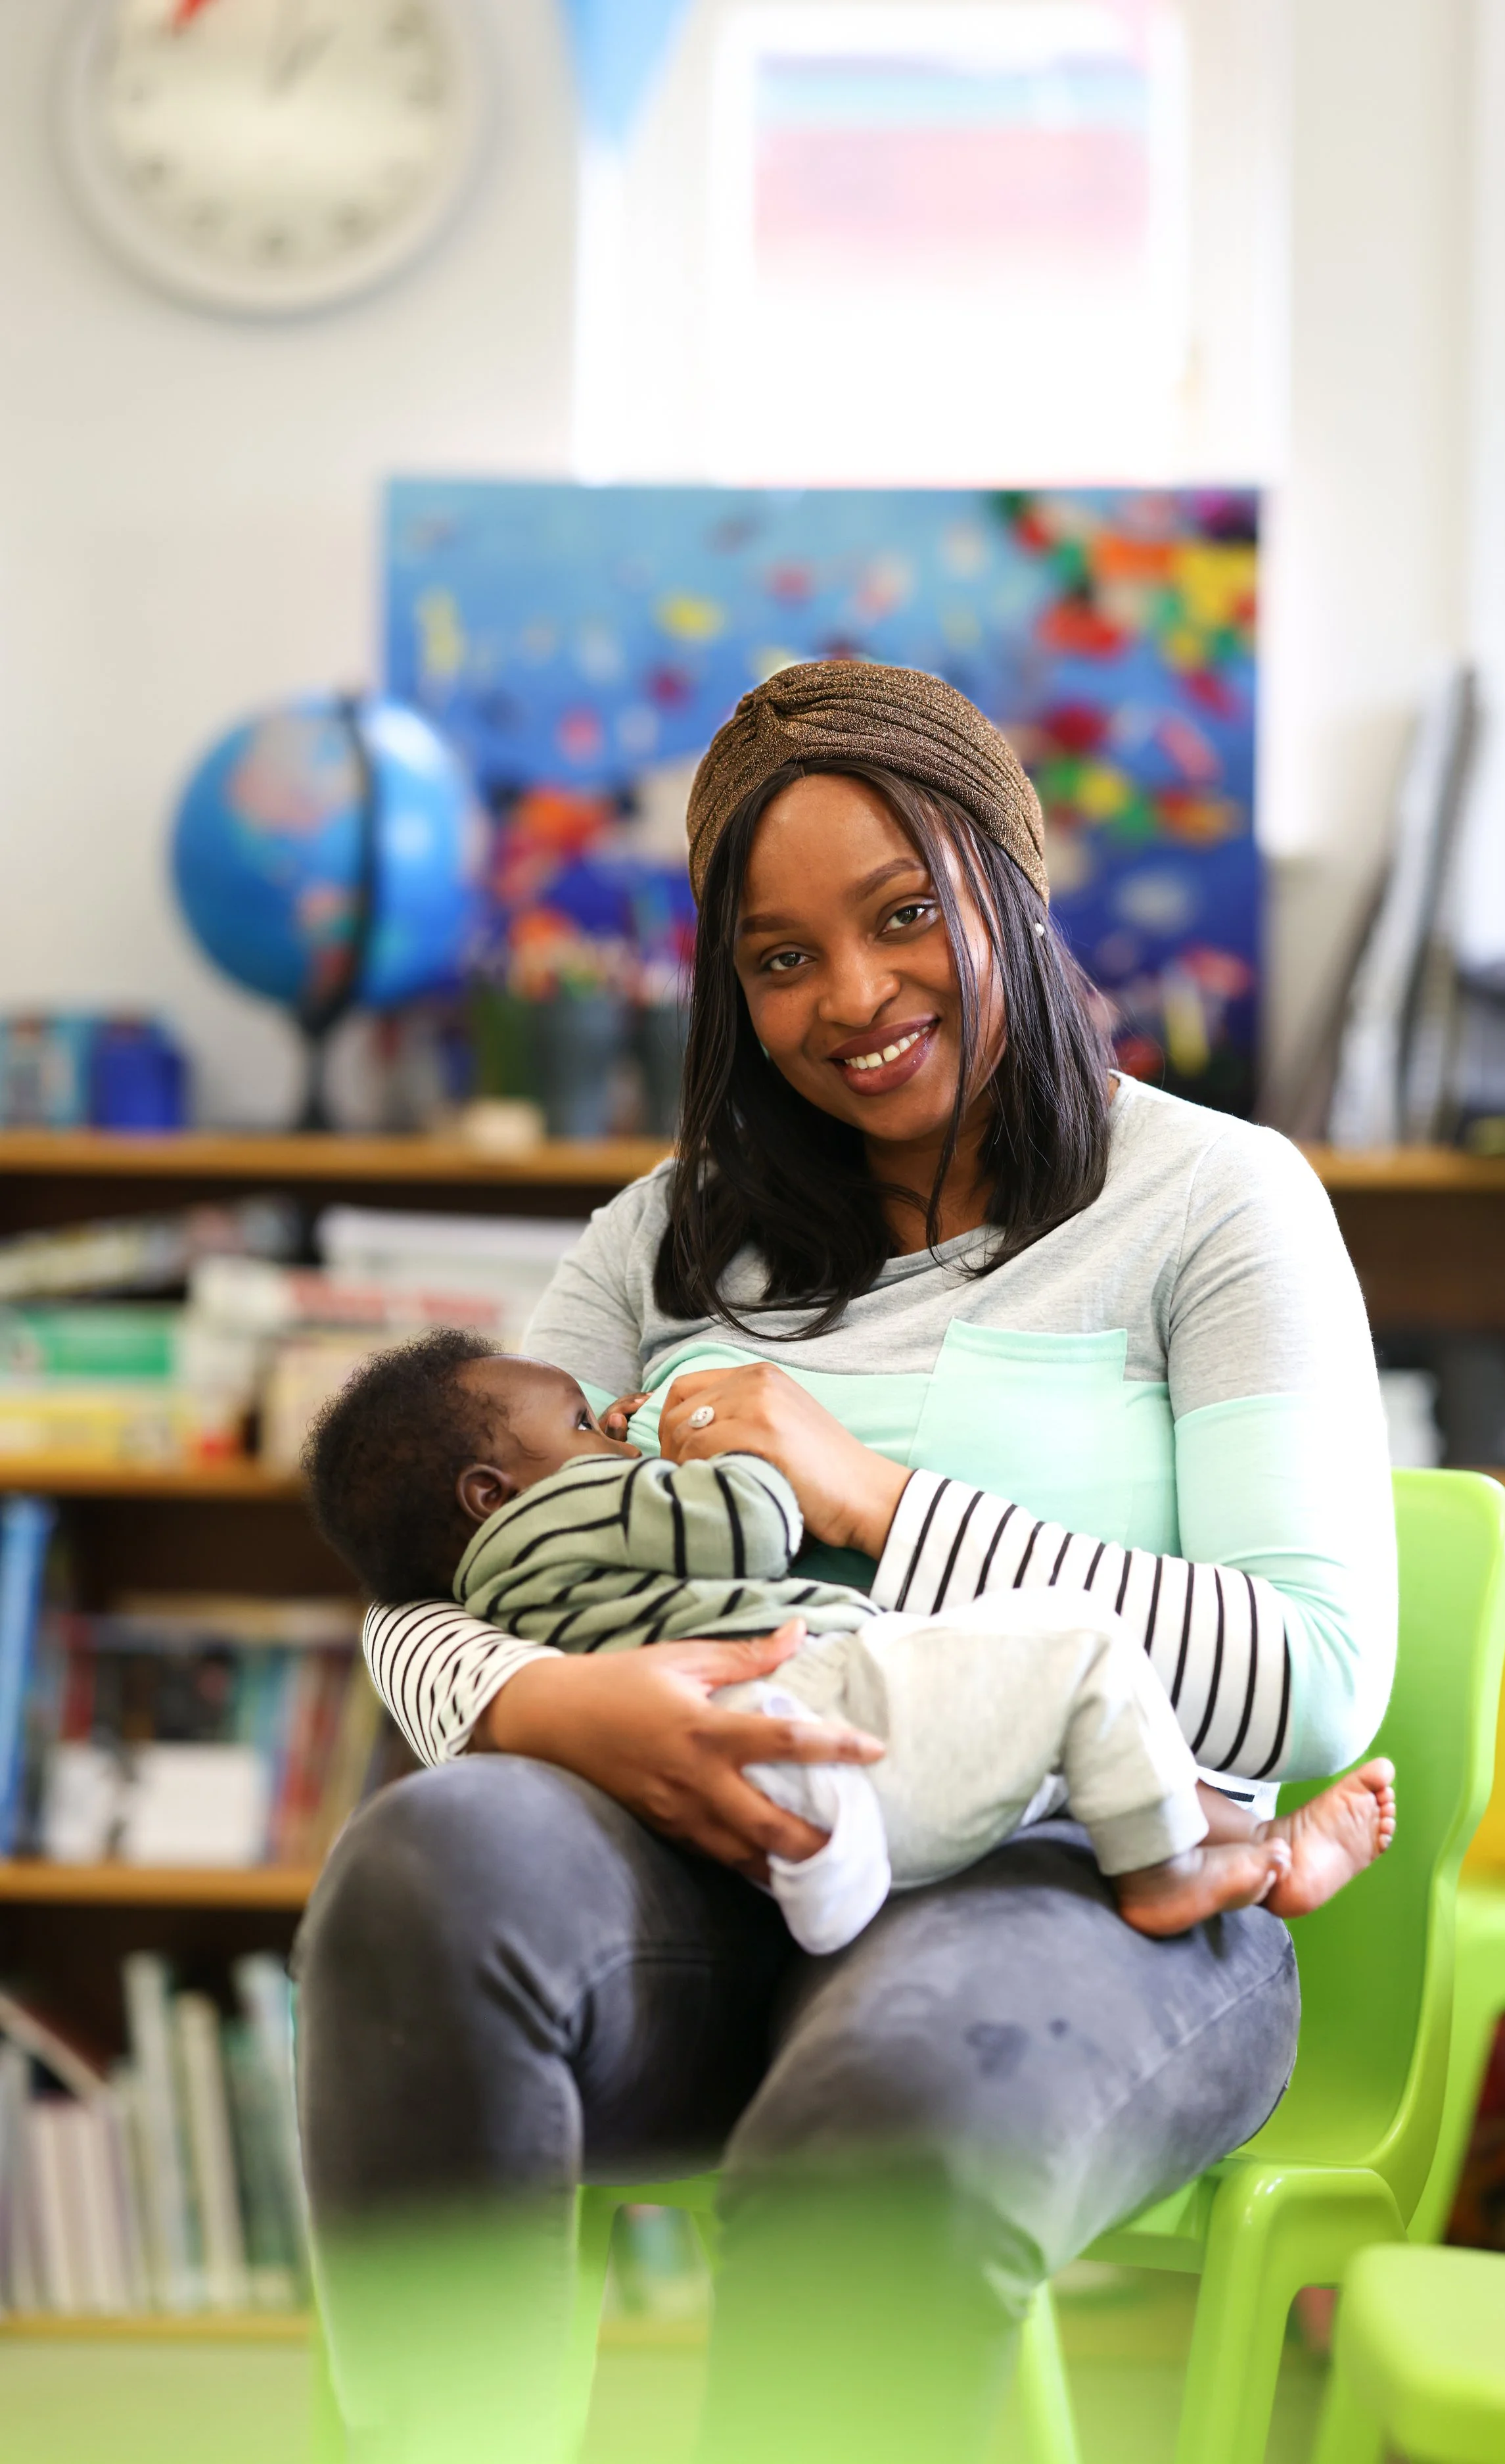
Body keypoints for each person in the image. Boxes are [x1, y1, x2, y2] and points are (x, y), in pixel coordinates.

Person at [296, 660, 1398, 2464]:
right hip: (709, 1862)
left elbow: (1303, 1676)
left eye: (901, 915)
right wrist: (564, 1701)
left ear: (1007, 880)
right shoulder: (660, 1239)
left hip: (1086, 1879)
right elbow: (425, 1580)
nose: (854, 999)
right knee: (423, 1858)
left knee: (888, 2114)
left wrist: (868, 1490)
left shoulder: (1215, 1198)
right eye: (780, 954)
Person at [302, 1332, 1397, 1955]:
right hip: (827, 1691)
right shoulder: (569, 1503)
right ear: (491, 1491)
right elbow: (753, 1526)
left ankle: (1241, 1854)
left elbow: (1317, 1682)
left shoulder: (505, 1554)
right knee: (1085, 1647)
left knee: (1070, 1738)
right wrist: (709, 1459)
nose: (611, 1425)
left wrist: (872, 1492)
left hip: (786, 1745)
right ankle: (1184, 1867)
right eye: (587, 1424)